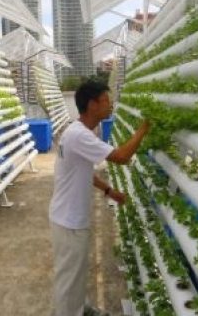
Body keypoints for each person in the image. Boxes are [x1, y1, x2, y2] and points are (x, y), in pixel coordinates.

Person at [49, 79, 151, 316]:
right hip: (69, 220)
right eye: (106, 100)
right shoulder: (79, 136)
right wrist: (143, 129)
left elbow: (84, 171)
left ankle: (80, 308)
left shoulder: (79, 131)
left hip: (68, 217)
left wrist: (109, 190)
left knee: (76, 271)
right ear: (92, 105)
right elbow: (122, 156)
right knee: (68, 279)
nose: (110, 105)